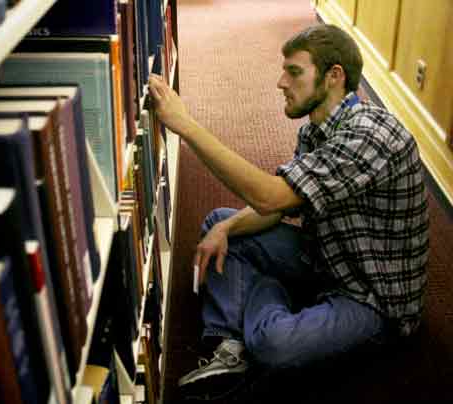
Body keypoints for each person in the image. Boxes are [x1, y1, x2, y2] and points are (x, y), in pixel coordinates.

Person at [148, 24, 429, 400]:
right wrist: (230, 226)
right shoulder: (316, 130)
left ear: (334, 77)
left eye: (294, 72)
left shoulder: (370, 135)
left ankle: (260, 307)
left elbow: (270, 198)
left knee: (273, 343)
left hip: (372, 298)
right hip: (327, 257)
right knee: (220, 224)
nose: (281, 82)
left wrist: (186, 127)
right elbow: (282, 208)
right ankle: (231, 346)